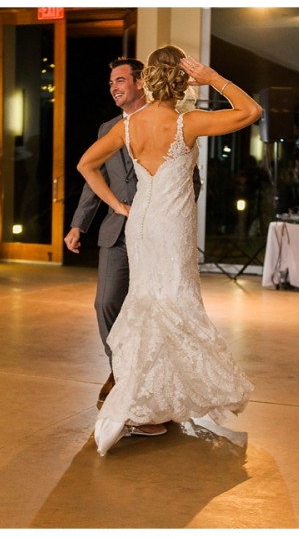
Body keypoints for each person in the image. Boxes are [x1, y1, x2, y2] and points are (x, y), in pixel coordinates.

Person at [77, 45, 260, 456]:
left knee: (149, 306)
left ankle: (151, 405)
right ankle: (142, 407)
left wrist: (118, 205)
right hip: (170, 227)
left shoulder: (128, 126)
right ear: (182, 78)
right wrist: (213, 78)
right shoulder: (187, 123)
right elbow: (250, 112)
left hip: (141, 223)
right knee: (174, 305)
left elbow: (86, 165)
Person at [64, 58, 201, 424]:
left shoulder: (171, 121)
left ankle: (157, 382)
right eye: (110, 82)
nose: (113, 86)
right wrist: (79, 225)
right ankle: (121, 371)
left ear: (141, 83)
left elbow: (190, 179)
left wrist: (175, 220)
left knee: (159, 307)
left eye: (120, 80)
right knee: (106, 303)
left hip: (159, 233)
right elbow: (92, 180)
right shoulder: (108, 127)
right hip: (115, 232)